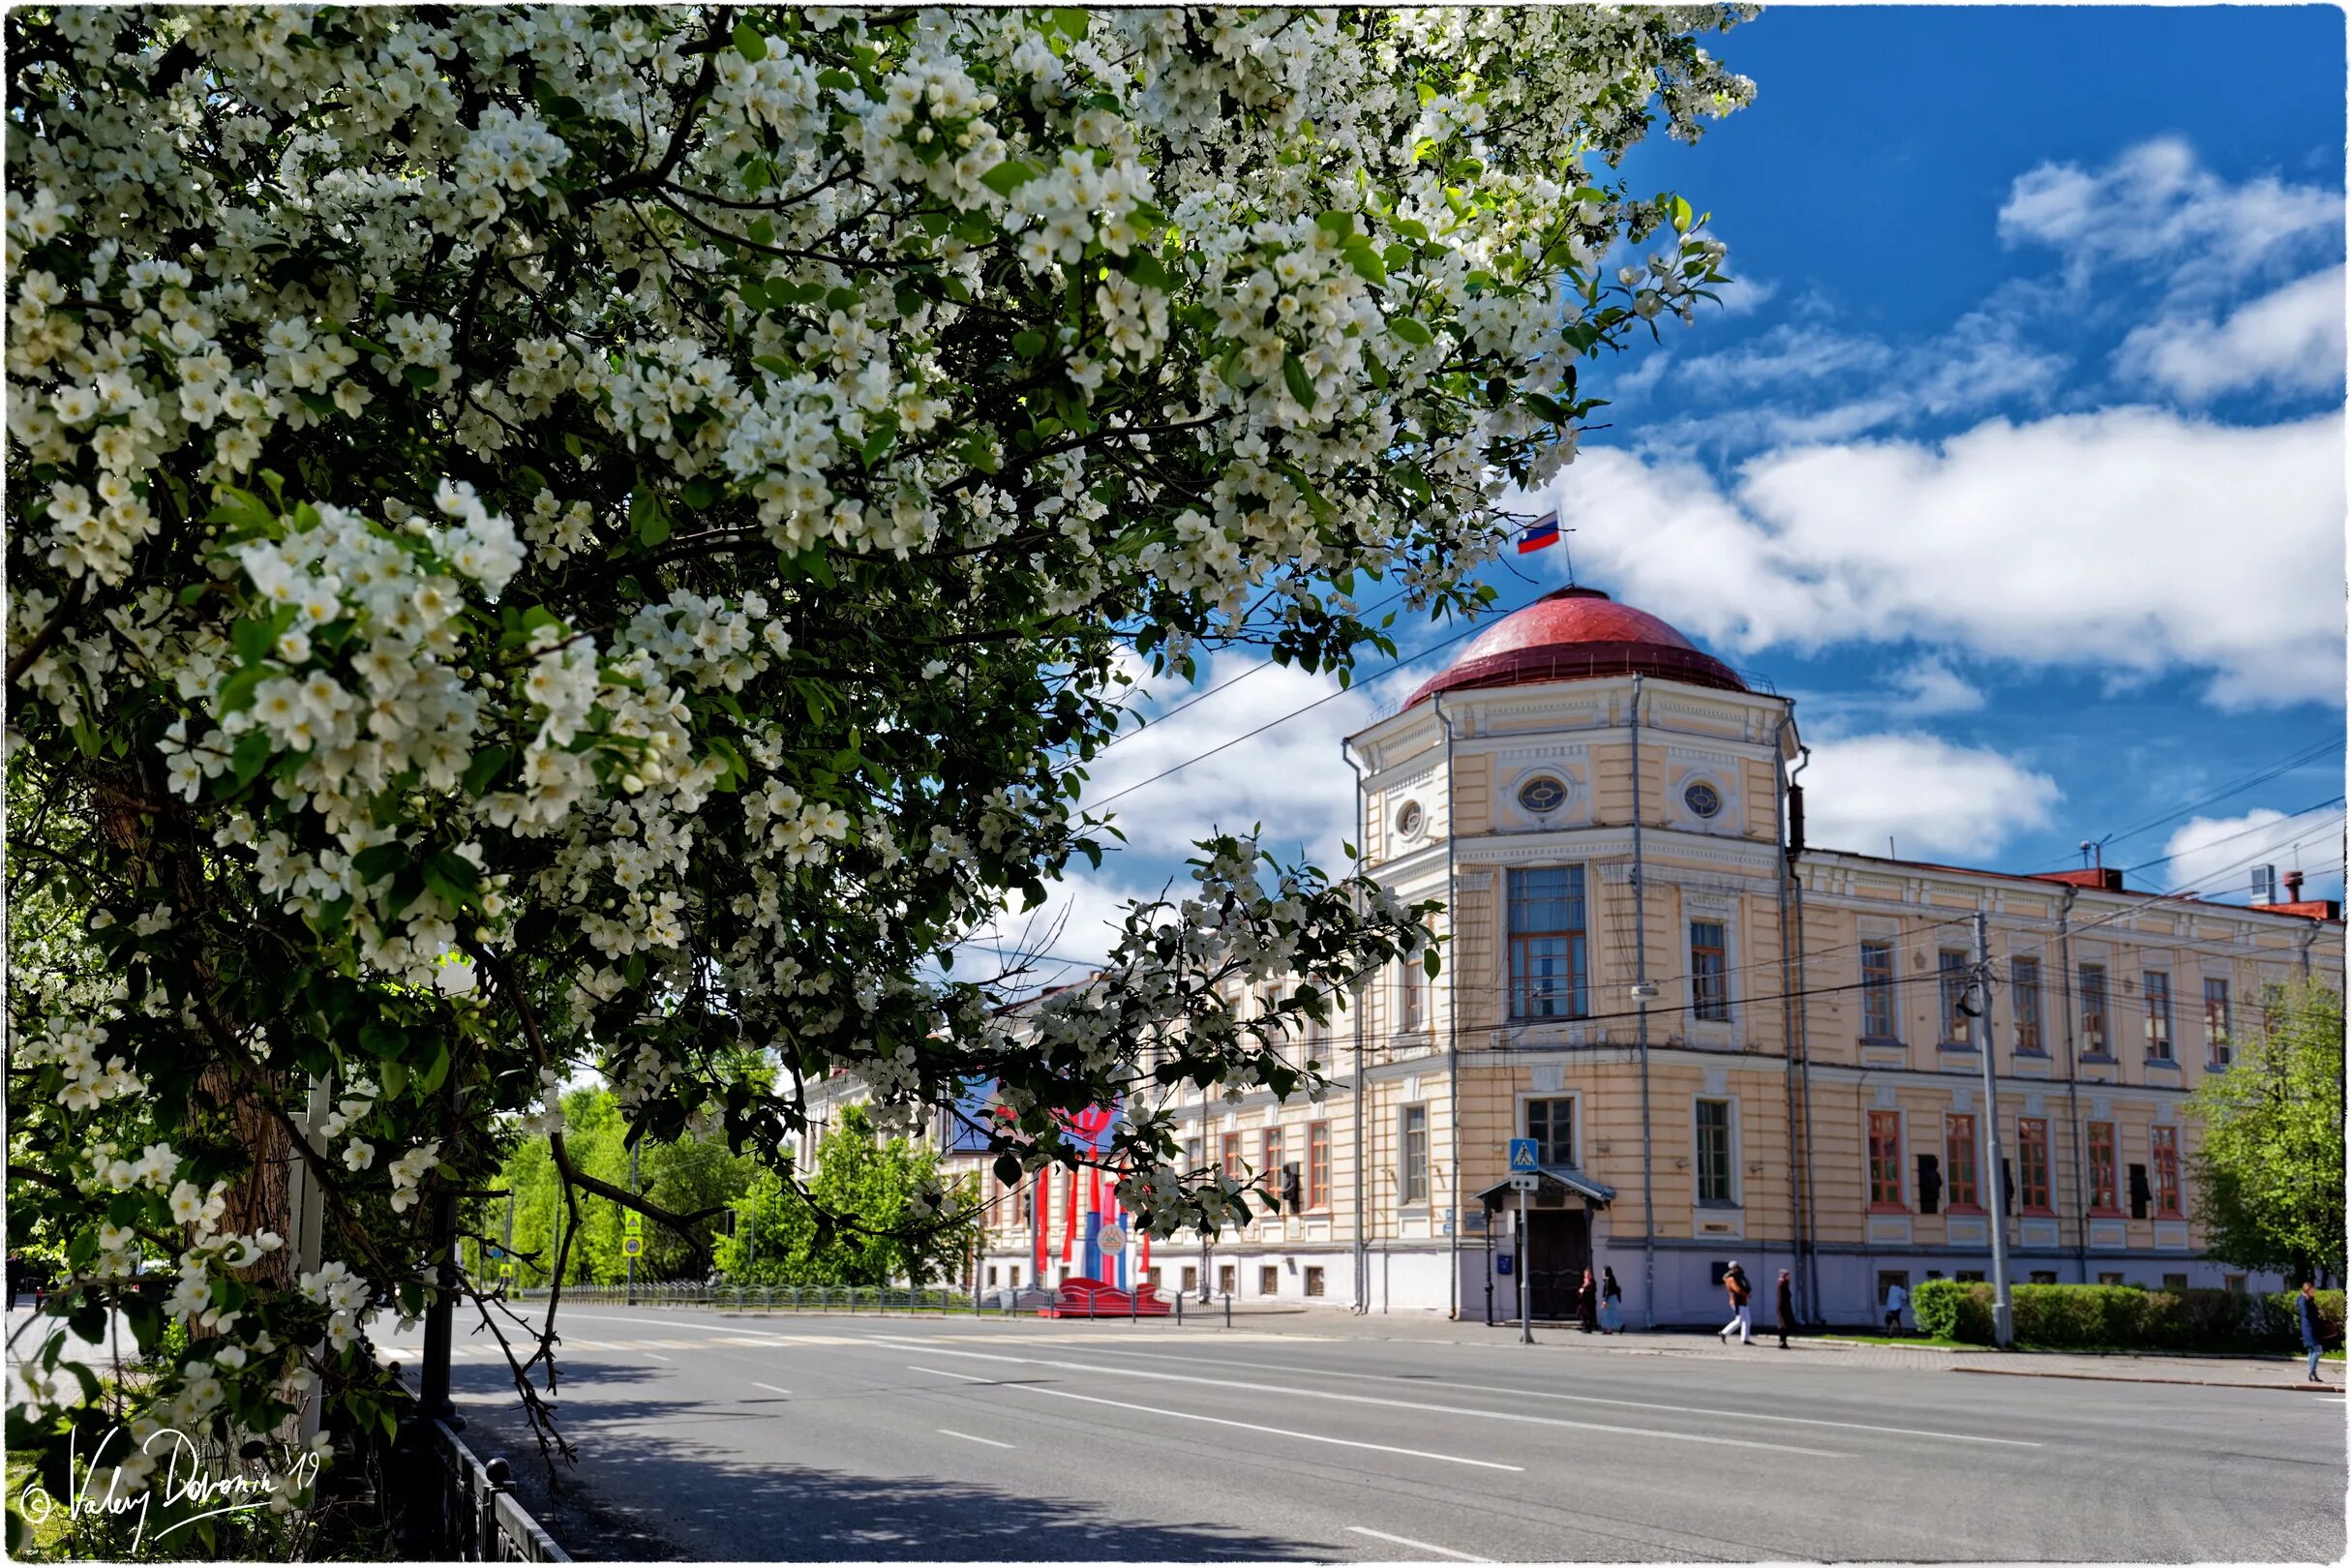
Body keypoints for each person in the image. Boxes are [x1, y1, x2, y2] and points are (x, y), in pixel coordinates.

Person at [2300, 1280, 2328, 1384]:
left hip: (2313, 1328)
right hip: (2308, 1328)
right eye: (2312, 1290)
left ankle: (2312, 1374)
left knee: (2312, 1351)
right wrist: (2317, 1314)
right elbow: (2306, 1314)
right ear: (2307, 1290)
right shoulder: (2303, 1300)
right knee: (2318, 1350)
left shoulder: (2309, 1299)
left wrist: (2318, 1313)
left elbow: (2312, 1312)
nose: (2314, 1292)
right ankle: (2312, 1372)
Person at [1718, 1260, 1753, 1344]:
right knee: (1739, 1320)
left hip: (1743, 1301)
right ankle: (1724, 1332)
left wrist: (1746, 1295)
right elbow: (1737, 1289)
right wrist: (1746, 1295)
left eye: (1737, 1266)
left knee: (1747, 1320)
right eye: (1735, 1267)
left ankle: (1745, 1339)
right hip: (1736, 1301)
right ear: (1731, 1268)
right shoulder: (1731, 1278)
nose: (1737, 1268)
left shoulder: (1739, 1276)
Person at [1776, 1268, 1797, 1349]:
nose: (1789, 1277)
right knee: (1783, 1325)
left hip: (1785, 1307)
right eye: (1788, 1275)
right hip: (1783, 1307)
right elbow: (1782, 1298)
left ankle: (1783, 1342)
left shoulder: (1784, 1283)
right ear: (1784, 1276)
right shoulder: (1782, 1284)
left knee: (1786, 1325)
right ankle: (1782, 1342)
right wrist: (1784, 1308)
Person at [1599, 1267, 1624, 1335]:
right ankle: (1618, 1326)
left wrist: (1605, 1301)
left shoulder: (1608, 1279)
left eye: (1603, 1272)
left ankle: (1609, 1329)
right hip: (1613, 1298)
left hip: (1609, 1298)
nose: (1602, 1273)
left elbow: (1607, 1291)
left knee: (1608, 1314)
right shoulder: (1612, 1278)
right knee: (1611, 1314)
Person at [1576, 1268, 1599, 1334]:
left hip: (1590, 1301)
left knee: (1590, 1315)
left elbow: (1592, 1290)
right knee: (1584, 1315)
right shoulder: (1584, 1282)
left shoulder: (1592, 1282)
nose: (1587, 1276)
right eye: (1586, 1274)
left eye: (1588, 1274)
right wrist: (1582, 1289)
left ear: (1591, 1275)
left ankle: (1589, 1328)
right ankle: (1585, 1327)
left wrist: (1585, 1288)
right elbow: (1580, 1290)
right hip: (1584, 1301)